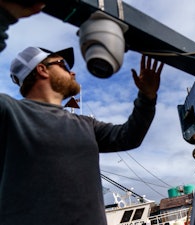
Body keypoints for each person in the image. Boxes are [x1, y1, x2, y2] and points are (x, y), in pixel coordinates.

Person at [0, 46, 164, 225]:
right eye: (64, 65)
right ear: (42, 69)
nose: (73, 73)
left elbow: (129, 136)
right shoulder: (9, 111)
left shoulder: (87, 124)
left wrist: (147, 98)